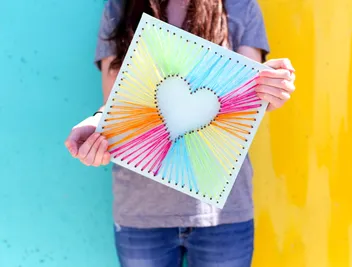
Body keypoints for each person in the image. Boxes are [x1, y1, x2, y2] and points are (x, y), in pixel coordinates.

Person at [65, 0, 296, 266]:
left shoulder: (240, 6)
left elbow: (248, 101)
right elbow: (116, 105)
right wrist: (97, 126)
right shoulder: (119, 7)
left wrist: (272, 89)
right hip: (141, 211)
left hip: (224, 213)